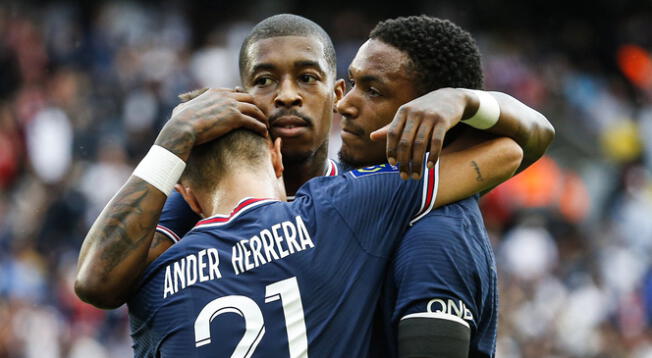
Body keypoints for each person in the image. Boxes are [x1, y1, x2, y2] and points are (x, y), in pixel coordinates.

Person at [75, 14, 551, 357]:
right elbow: (96, 282)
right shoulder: (348, 205)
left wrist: (463, 99)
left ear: (334, 95)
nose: (285, 94)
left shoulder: (409, 212)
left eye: (306, 77)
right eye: (264, 80)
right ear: (241, 99)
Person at [337, 16, 554, 357]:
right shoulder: (380, 194)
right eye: (353, 83)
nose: (344, 104)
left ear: (429, 118)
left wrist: (462, 101)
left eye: (373, 91)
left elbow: (537, 134)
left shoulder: (435, 237)